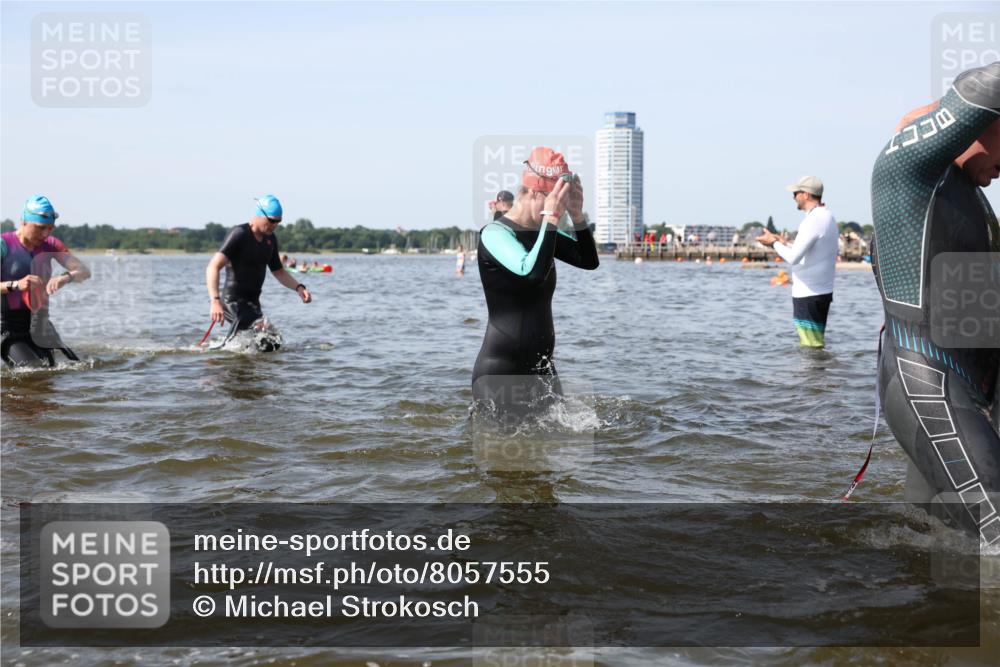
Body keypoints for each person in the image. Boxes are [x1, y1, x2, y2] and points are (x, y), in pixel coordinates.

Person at [869, 62, 1000, 542]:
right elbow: (984, 85)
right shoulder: (908, 172)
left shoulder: (970, 197)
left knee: (929, 543)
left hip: (974, 388)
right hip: (930, 380)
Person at [472, 147, 599, 409]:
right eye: (557, 200)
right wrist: (551, 217)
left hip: (542, 368)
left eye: (564, 202)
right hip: (501, 372)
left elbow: (588, 261)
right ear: (532, 192)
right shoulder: (495, 234)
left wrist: (576, 215)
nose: (560, 208)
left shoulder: (540, 233)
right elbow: (531, 273)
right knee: (503, 450)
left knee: (555, 447)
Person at [205, 195, 312, 348]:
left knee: (272, 343)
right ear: (260, 214)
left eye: (278, 221)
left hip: (253, 305)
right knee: (257, 332)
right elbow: (213, 266)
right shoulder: (240, 234)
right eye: (271, 220)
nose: (274, 225)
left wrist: (299, 287)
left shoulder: (271, 240)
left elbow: (279, 272)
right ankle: (216, 358)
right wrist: (215, 301)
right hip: (233, 303)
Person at [1, 195, 90, 367]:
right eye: (41, 228)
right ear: (24, 222)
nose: (46, 234)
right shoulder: (3, 244)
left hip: (40, 325)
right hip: (7, 327)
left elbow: (84, 271)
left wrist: (66, 277)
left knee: (76, 368)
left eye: (50, 228)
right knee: (33, 371)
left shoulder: (51, 244)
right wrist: (15, 285)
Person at [757, 176, 838, 347]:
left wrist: (773, 243)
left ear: (806, 195)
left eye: (796, 193)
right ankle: (818, 373)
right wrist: (784, 242)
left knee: (811, 346)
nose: (793, 197)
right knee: (814, 344)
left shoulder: (813, 220)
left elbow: (793, 258)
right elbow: (811, 251)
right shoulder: (827, 216)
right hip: (820, 291)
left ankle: (812, 374)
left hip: (809, 293)